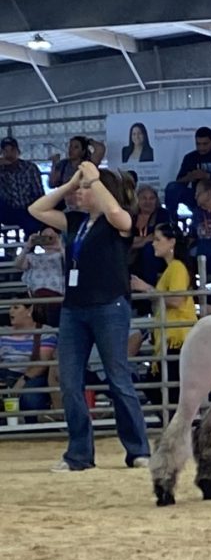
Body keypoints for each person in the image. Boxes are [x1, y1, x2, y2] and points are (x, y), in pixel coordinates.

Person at [27, 163, 151, 472]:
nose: (79, 193)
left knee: (118, 377)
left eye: (85, 189)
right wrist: (69, 185)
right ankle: (79, 454)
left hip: (109, 306)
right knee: (70, 382)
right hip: (74, 309)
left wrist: (96, 182)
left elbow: (120, 215)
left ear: (101, 190)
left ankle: (138, 449)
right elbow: (37, 209)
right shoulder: (75, 221)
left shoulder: (118, 221)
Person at [131, 222, 197, 410]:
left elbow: (176, 300)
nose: (153, 243)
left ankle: (179, 428)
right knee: (164, 387)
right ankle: (178, 428)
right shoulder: (173, 268)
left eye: (158, 240)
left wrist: (146, 289)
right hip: (172, 337)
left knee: (166, 388)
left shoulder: (176, 267)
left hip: (176, 337)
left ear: (171, 242)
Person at [0, 298, 55, 422]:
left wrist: (23, 380)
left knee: (30, 399)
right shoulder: (2, 332)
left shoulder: (45, 332)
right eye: (10, 308)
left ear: (29, 310)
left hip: (32, 376)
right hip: (4, 374)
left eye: (16, 307)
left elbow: (43, 363)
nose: (10, 312)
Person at [165, 127, 211, 214]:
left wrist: (207, 175)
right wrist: (189, 177)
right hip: (197, 197)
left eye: (205, 144)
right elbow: (179, 181)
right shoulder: (190, 157)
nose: (201, 148)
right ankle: (171, 222)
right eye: (198, 144)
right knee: (172, 187)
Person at [128, 185, 172, 314]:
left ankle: (146, 303)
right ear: (137, 200)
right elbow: (125, 241)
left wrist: (138, 241)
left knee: (148, 250)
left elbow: (157, 238)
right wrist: (144, 240)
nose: (148, 202)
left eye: (152, 198)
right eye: (144, 198)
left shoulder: (162, 214)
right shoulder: (131, 216)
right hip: (131, 257)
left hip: (155, 258)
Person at [14, 226, 65, 326]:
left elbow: (71, 265)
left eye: (51, 237)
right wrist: (28, 246)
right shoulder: (33, 257)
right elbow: (18, 265)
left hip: (57, 300)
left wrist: (60, 247)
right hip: (37, 300)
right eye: (44, 237)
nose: (48, 240)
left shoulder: (63, 255)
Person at [0, 136, 46, 235]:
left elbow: (39, 193)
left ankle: (28, 247)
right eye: (5, 151)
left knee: (32, 224)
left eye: (12, 150)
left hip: (27, 209)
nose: (9, 154)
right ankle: (11, 248)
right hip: (7, 211)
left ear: (18, 151)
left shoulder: (29, 168)